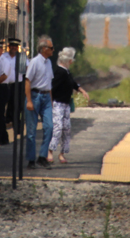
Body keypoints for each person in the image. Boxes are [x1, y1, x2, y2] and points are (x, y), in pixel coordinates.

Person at [48, 47, 90, 164]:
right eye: (71, 59)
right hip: (57, 104)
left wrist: (81, 90)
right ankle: (50, 151)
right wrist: (50, 102)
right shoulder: (59, 72)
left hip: (66, 105)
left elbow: (72, 83)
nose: (72, 61)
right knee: (58, 128)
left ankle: (62, 153)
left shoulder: (66, 72)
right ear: (68, 60)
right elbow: (51, 88)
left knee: (67, 128)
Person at [24, 34, 54, 169]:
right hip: (35, 96)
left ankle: (42, 157)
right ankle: (31, 159)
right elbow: (27, 81)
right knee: (31, 131)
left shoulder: (49, 63)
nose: (53, 50)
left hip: (46, 97)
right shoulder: (34, 62)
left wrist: (51, 101)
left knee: (49, 127)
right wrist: (29, 100)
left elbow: (49, 83)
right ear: (43, 49)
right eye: (51, 48)